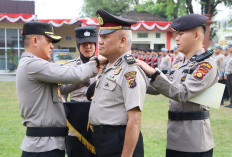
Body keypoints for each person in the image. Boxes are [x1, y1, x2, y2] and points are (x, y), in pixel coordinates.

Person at [16, 21, 105, 157]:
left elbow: (61, 88)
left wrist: (85, 81)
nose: (52, 46)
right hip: (42, 147)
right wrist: (97, 62)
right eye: (49, 41)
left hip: (49, 144)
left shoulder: (34, 66)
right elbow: (73, 74)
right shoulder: (33, 64)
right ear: (34, 40)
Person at [136, 14, 218, 157]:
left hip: (195, 142)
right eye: (176, 34)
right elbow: (158, 87)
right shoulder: (179, 64)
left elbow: (182, 93)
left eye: (181, 34)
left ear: (196, 35)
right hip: (175, 138)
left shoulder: (206, 64)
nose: (177, 38)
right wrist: (133, 77)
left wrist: (154, 73)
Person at [88, 9, 147, 157]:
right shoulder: (108, 66)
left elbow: (134, 119)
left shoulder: (130, 70)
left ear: (122, 41)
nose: (99, 41)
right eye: (100, 36)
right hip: (101, 140)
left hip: (118, 142)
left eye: (106, 37)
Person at [60, 26, 98, 157]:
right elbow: (61, 91)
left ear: (95, 44)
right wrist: (63, 101)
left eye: (91, 43)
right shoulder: (69, 67)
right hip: (75, 119)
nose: (88, 47)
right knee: (76, 152)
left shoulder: (106, 66)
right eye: (84, 43)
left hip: (99, 118)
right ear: (78, 45)